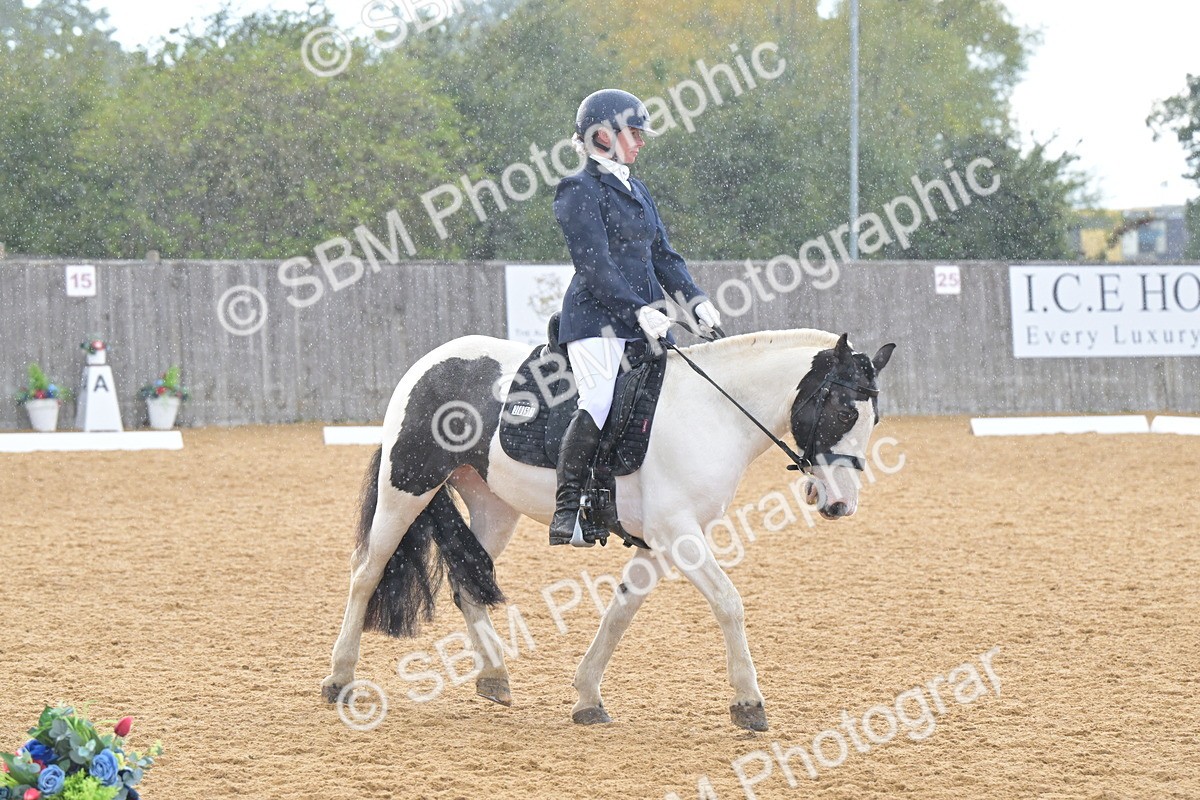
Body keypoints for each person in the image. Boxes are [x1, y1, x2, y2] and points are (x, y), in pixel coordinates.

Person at [548, 88, 722, 546]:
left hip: (644, 319)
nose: (642, 141)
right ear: (602, 136)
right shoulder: (577, 189)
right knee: (600, 401)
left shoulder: (637, 189)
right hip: (595, 320)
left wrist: (695, 299)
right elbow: (595, 265)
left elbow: (664, 255)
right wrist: (638, 309)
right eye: (635, 133)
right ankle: (571, 506)